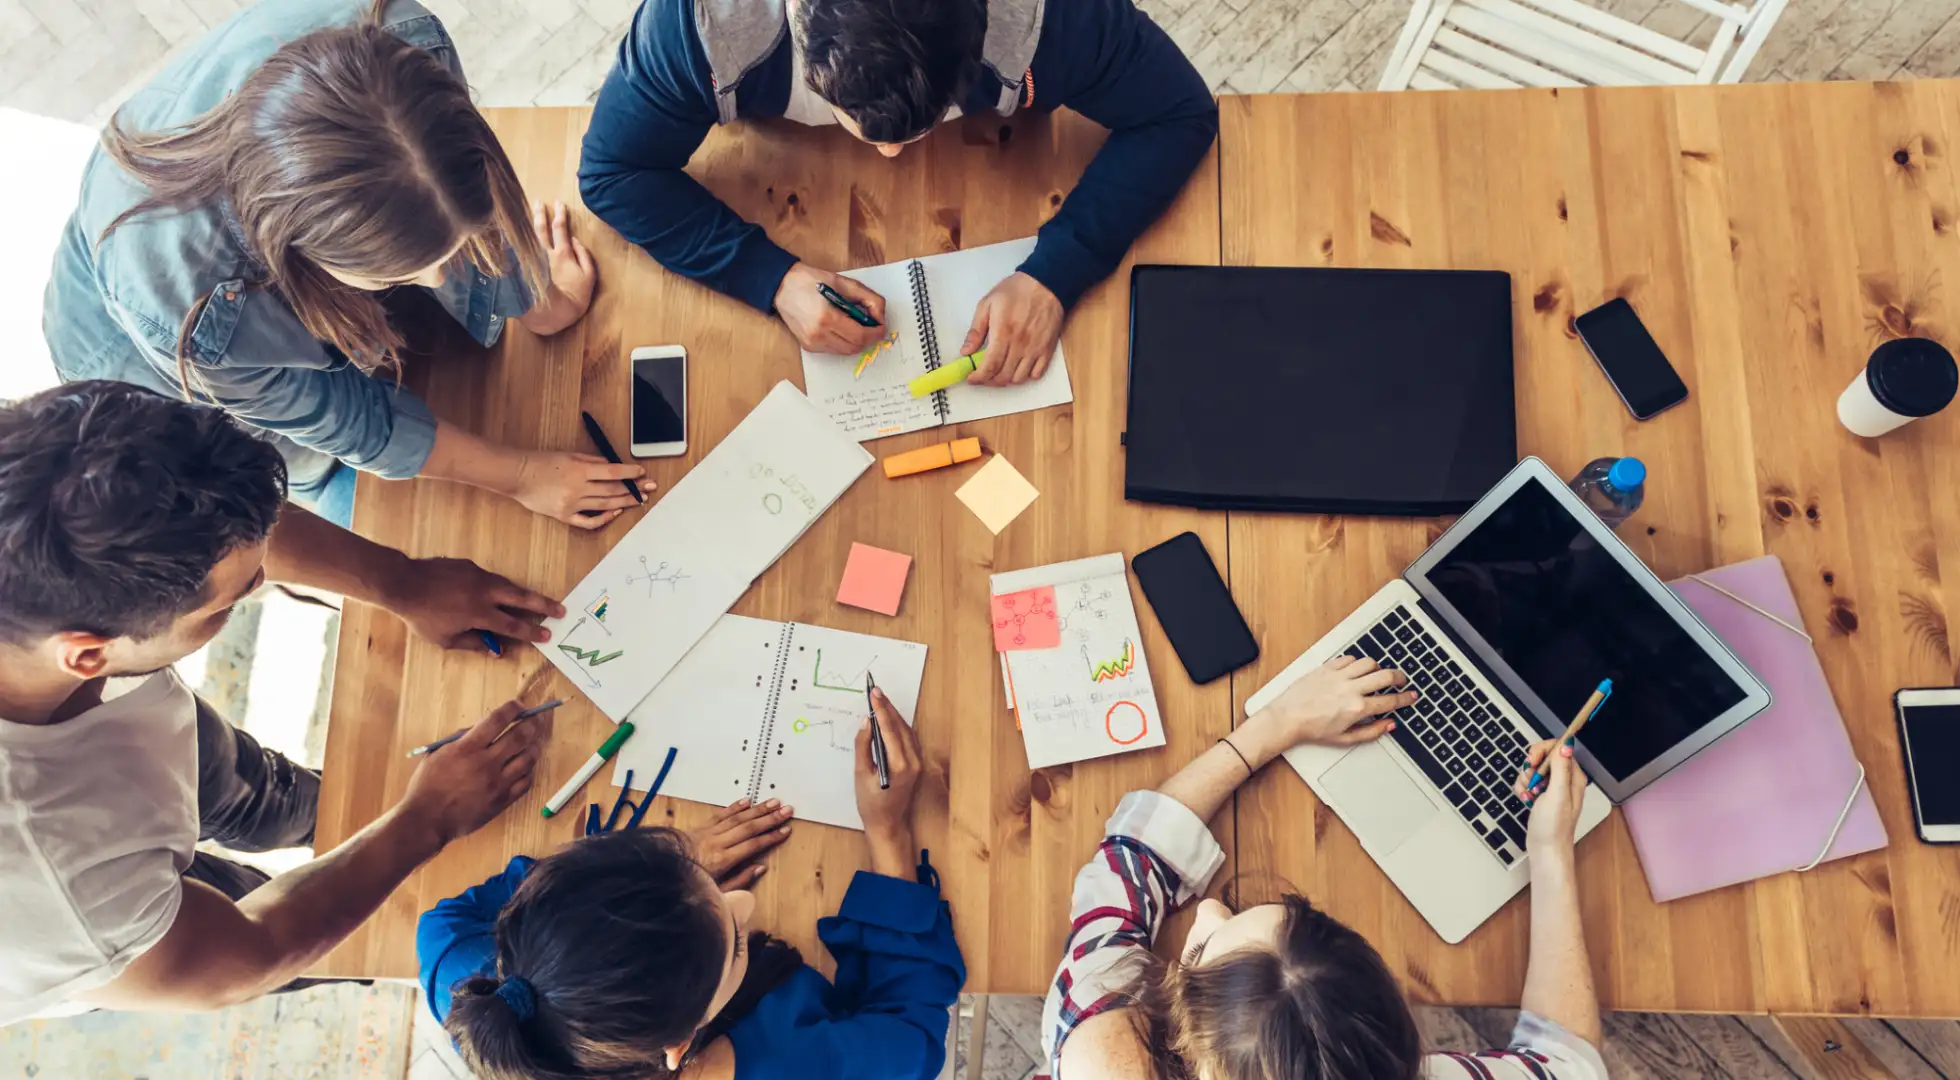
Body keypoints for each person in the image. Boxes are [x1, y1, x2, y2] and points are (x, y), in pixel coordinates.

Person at [0, 381, 563, 1022]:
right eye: (229, 603)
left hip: (110, 750)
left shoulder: (26, 476)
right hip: (102, 917)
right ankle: (377, 964)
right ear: (88, 654)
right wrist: (426, 818)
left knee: (260, 789)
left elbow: (222, 528)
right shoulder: (58, 889)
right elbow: (246, 953)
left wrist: (401, 581)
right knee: (309, 937)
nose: (264, 582)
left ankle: (325, 817)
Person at [42, 0, 646, 531]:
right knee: (315, 473)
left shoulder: (402, 36)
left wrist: (537, 301)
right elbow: (347, 422)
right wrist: (520, 475)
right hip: (136, 347)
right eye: (399, 275)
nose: (440, 280)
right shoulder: (196, 313)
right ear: (303, 255)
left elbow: (441, 196)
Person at [578, 0, 1217, 385]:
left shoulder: (1053, 19)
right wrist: (767, 276)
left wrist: (1058, 271)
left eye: (928, 120)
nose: (887, 155)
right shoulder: (701, 27)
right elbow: (611, 173)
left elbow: (1181, 112)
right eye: (859, 123)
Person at [1041, 655, 1608, 1080]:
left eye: (1197, 952)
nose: (1209, 907)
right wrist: (1551, 848)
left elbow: (1133, 859)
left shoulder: (1100, 1040)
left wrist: (1275, 724)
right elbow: (1567, 1060)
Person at [420, 687, 963, 1080]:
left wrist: (668, 878)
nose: (742, 901)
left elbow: (438, 927)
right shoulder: (789, 1065)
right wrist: (890, 833)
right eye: (735, 943)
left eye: (692, 872)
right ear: (682, 1044)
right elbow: (910, 1033)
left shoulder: (476, 990)